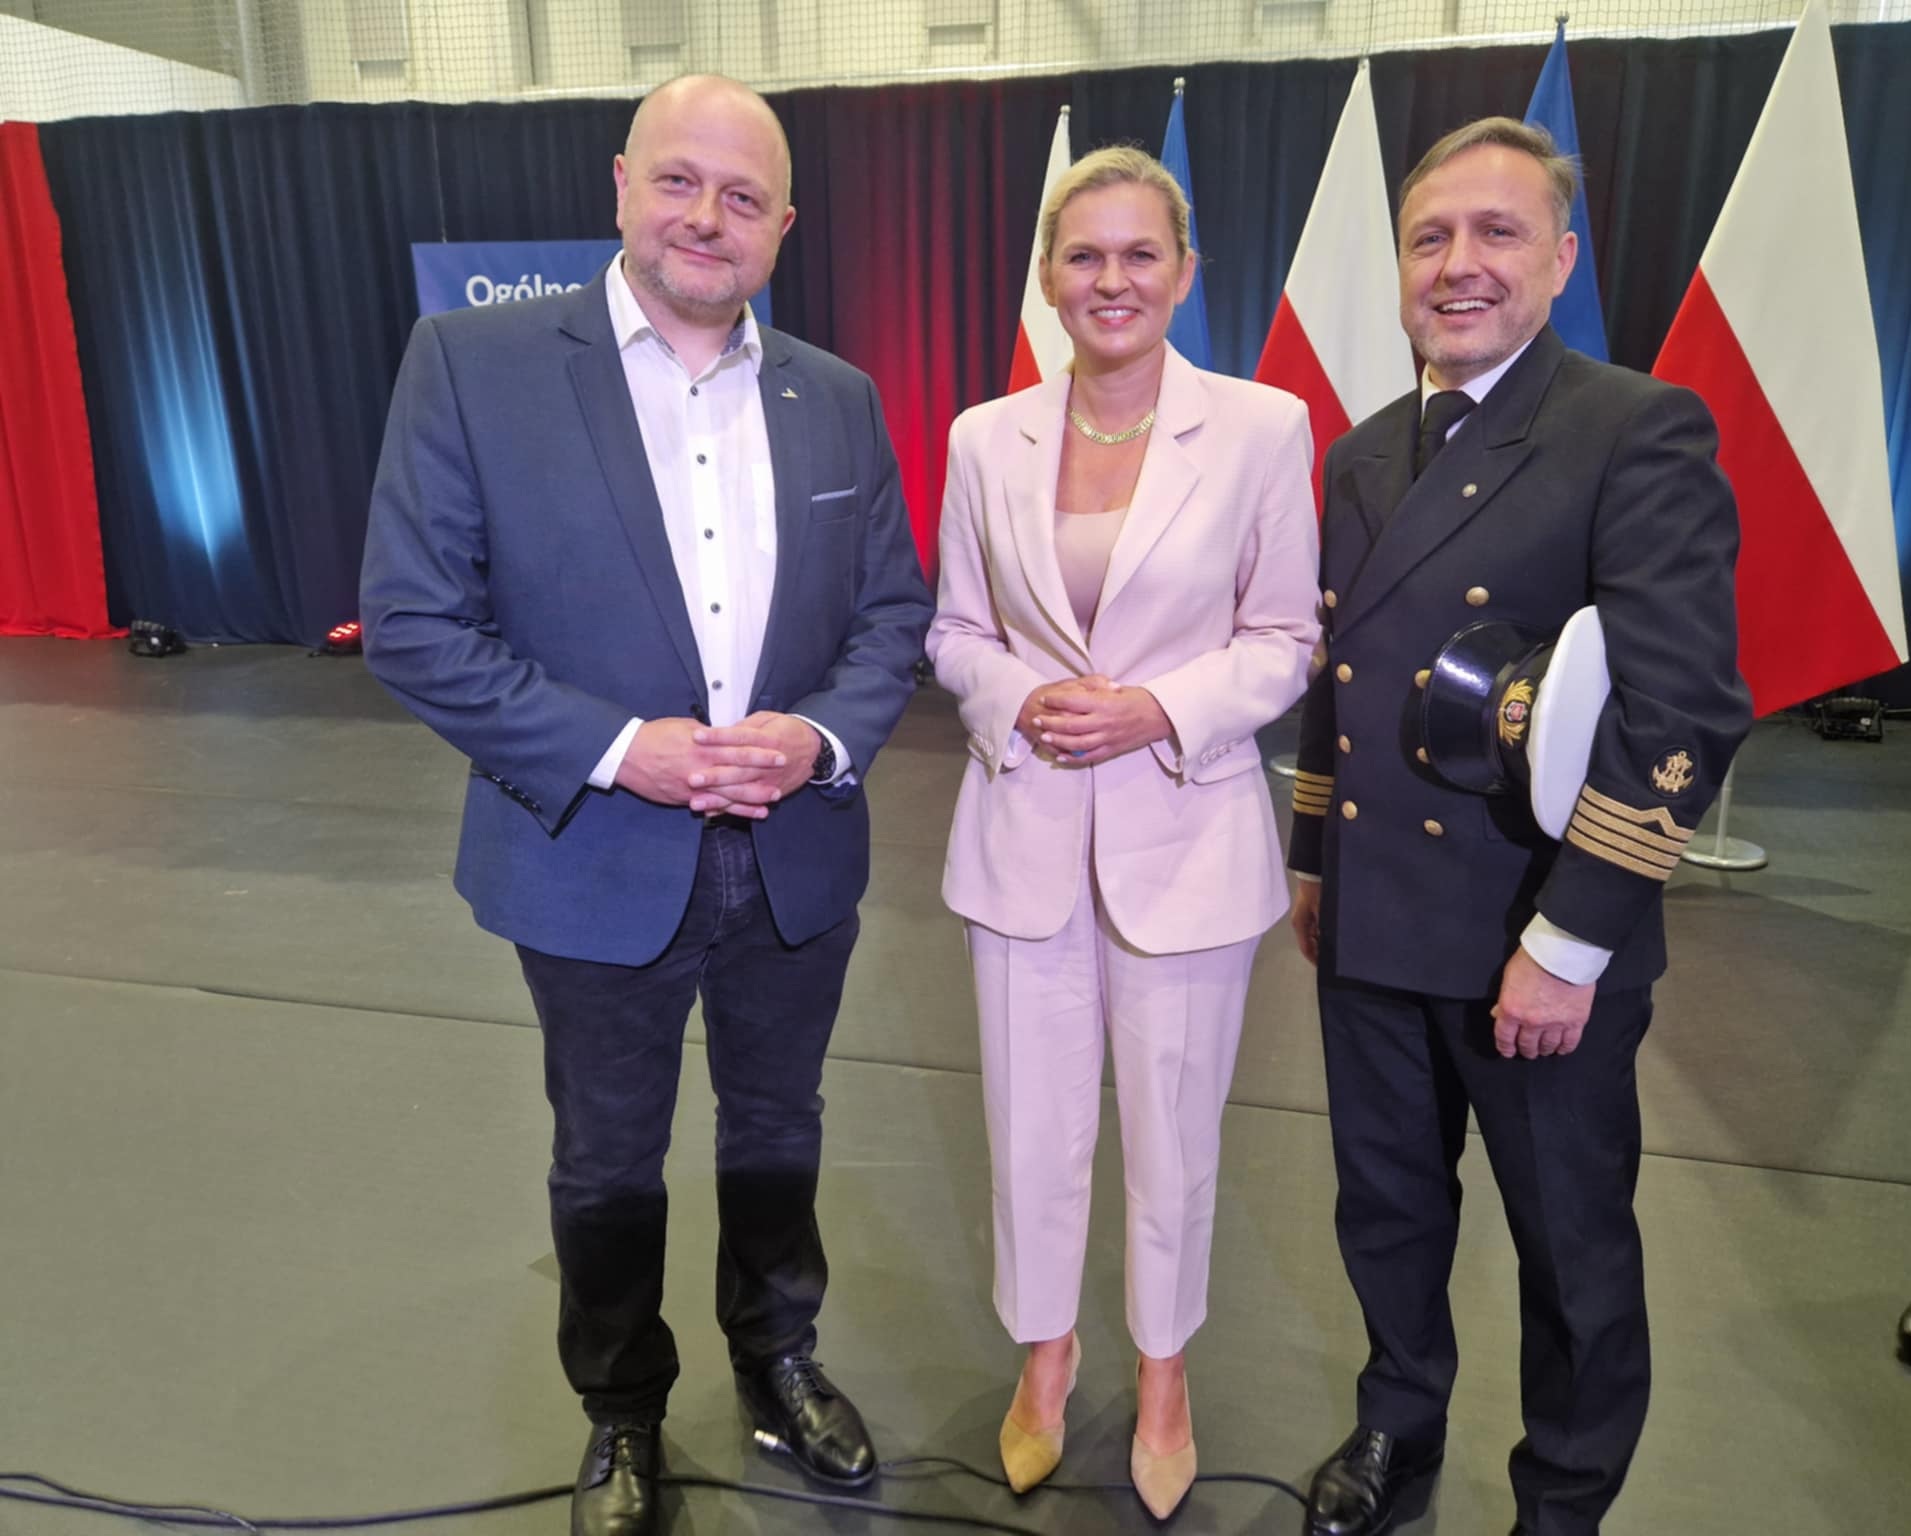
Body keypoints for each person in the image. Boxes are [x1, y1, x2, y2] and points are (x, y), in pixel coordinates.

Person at [360, 74, 932, 1536]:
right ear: (621, 184)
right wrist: (624, 749)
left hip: (796, 854)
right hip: (592, 850)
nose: (706, 218)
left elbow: (892, 615)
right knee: (607, 1151)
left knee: (779, 1122)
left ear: (784, 225)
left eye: (744, 197)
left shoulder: (838, 396)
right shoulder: (472, 363)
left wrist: (818, 735)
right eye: (679, 181)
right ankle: (621, 1411)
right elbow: (415, 625)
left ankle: (778, 1357)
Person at [1286, 118, 1753, 1536]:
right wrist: (1314, 854)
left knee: (1570, 1247)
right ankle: (1397, 1420)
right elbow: (1342, 673)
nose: (1459, 264)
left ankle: (1563, 1499)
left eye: (1497, 233)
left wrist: (1569, 942)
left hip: (1531, 930)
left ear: (1560, 260)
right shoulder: (1363, 453)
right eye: (1429, 237)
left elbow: (1679, 709)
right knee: (1385, 1208)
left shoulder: (1633, 426)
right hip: (1376, 917)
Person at [928, 146, 1321, 1521]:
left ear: (1185, 271)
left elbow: (1286, 638)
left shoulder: (1265, 429)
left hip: (1189, 843)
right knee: (1030, 1132)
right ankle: (1046, 1357)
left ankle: (1164, 1374)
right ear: (1048, 276)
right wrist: (1018, 699)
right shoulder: (984, 437)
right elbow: (956, 631)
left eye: (1140, 254)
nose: (1113, 280)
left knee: (1173, 1138)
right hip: (1021, 837)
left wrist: (1158, 708)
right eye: (1084, 255)